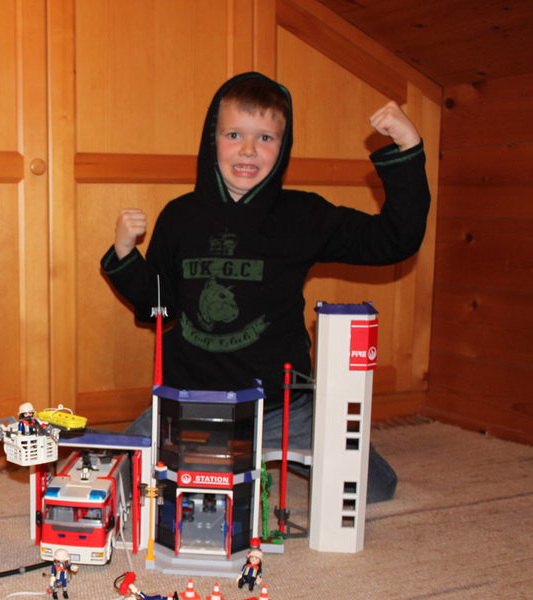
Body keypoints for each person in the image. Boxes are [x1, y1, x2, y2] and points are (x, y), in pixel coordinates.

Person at [102, 72, 430, 504]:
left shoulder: (303, 215)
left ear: (284, 145)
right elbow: (157, 307)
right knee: (110, 484)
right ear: (212, 139)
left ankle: (246, 456)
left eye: (265, 138)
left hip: (282, 408)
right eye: (234, 134)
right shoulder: (179, 216)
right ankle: (214, 460)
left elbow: (393, 240)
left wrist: (408, 149)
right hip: (189, 406)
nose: (248, 150)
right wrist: (125, 256)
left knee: (375, 487)